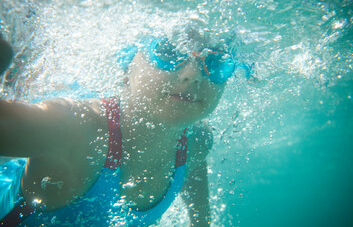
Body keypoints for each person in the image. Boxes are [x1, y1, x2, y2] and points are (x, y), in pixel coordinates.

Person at [0, 28, 251, 226]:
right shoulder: (77, 127)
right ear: (127, 66)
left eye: (217, 62)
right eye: (169, 51)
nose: (194, 73)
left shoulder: (197, 141)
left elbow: (195, 174)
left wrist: (201, 222)